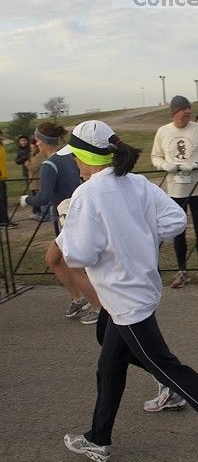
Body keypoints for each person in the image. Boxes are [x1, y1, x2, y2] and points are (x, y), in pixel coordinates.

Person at [58, 120, 198, 462]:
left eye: (75, 156)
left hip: (123, 295)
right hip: (138, 288)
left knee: (166, 367)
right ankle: (98, 439)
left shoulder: (86, 195)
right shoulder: (137, 183)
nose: (74, 163)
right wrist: (141, 239)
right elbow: (175, 221)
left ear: (87, 156)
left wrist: (66, 228)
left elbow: (79, 255)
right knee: (109, 360)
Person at [18, 123, 100, 323]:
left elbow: (44, 198)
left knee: (73, 267)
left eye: (37, 139)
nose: (35, 143)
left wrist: (25, 200)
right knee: (53, 260)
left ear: (44, 141)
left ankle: (99, 309)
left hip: (68, 220)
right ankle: (78, 298)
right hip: (79, 215)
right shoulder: (70, 156)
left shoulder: (49, 165)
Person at [151, 96, 198, 288]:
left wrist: (195, 165)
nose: (187, 112)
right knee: (178, 231)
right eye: (182, 109)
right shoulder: (163, 131)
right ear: (174, 112)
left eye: (188, 108)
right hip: (174, 190)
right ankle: (182, 271)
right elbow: (155, 156)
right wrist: (165, 165)